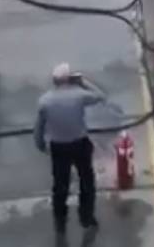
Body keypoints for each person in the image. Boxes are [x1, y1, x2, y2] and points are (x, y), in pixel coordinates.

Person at [34, 63, 105, 233]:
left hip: (58, 147)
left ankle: (60, 218)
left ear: (54, 81)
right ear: (70, 79)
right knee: (87, 181)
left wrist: (40, 145)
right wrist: (83, 82)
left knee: (60, 184)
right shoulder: (79, 95)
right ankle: (86, 217)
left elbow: (39, 128)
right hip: (80, 144)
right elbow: (100, 96)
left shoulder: (44, 101)